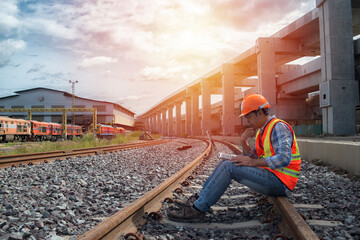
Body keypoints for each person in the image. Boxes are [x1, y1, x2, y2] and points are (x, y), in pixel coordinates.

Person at [167, 93, 301, 223]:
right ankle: (197, 200)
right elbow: (252, 156)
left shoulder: (278, 127)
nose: (246, 121)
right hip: (272, 176)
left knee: (228, 167)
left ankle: (197, 210)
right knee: (227, 161)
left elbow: (284, 158)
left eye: (248, 116)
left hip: (281, 183)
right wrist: (243, 142)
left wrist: (252, 162)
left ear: (259, 113)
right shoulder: (262, 131)